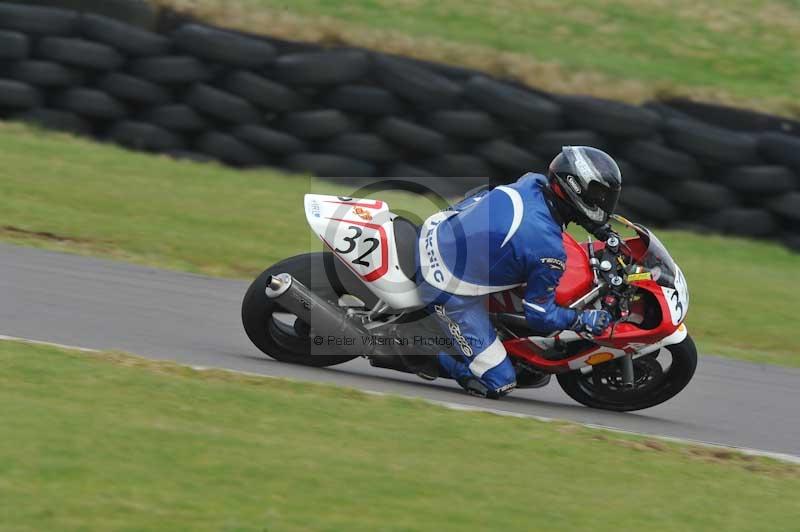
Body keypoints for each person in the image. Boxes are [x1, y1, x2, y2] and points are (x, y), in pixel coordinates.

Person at [417, 146, 622, 398]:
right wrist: (582, 320)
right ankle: (418, 347)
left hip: (442, 225)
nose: (603, 201)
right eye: (598, 194)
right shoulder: (547, 249)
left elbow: (561, 208)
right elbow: (539, 316)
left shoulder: (533, 181)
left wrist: (597, 228)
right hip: (443, 282)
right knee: (500, 382)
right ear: (575, 188)